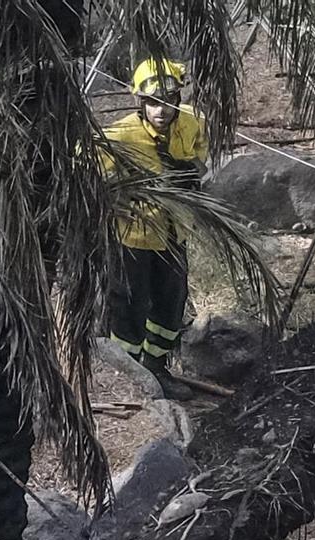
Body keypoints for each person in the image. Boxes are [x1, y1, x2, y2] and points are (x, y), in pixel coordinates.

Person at [101, 57, 208, 391]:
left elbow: (199, 158)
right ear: (139, 102)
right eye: (152, 104)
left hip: (174, 230)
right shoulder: (118, 136)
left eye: (168, 102)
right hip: (133, 235)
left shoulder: (192, 123)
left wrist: (190, 172)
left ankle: (157, 368)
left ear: (178, 100)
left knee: (171, 299)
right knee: (129, 305)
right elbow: (91, 177)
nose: (160, 111)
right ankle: (128, 376)